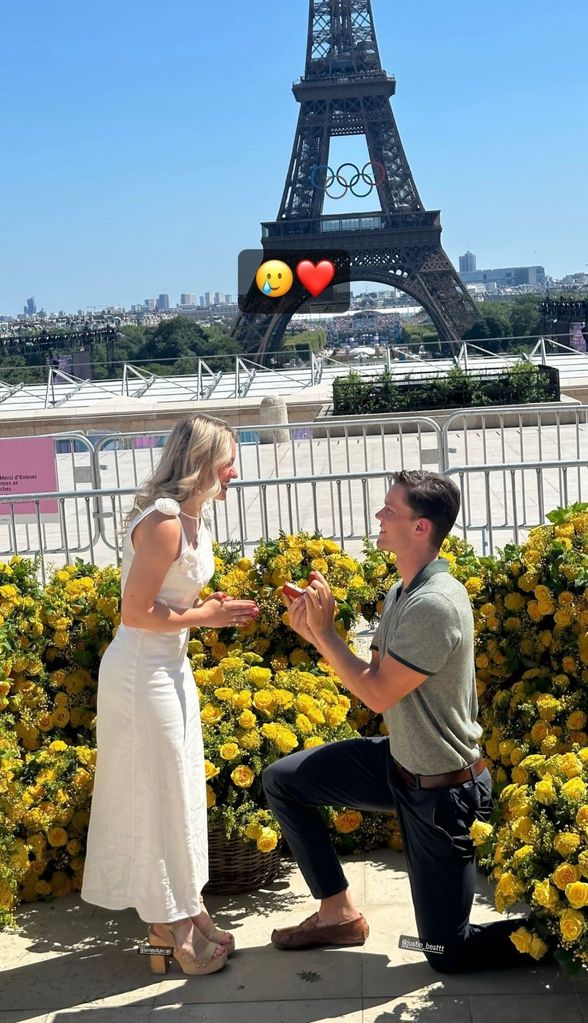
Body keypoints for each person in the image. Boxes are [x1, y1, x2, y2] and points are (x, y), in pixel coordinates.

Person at [263, 470, 530, 974]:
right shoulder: (402, 592)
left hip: (443, 794)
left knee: (445, 954)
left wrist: (326, 634)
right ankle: (337, 913)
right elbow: (373, 673)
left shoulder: (434, 604)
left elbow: (377, 694)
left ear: (421, 528)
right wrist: (320, 633)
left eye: (391, 510)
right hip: (400, 765)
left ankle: (557, 927)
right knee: (283, 782)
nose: (379, 517)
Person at [82, 414, 260, 976]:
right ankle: (168, 930)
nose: (236, 472)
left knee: (178, 791)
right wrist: (205, 617)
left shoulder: (190, 516)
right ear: (204, 463)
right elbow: (134, 613)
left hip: (168, 671)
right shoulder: (163, 522)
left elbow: (170, 601)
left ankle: (187, 908)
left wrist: (206, 614)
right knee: (156, 796)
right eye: (230, 461)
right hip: (141, 677)